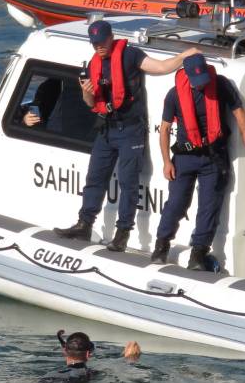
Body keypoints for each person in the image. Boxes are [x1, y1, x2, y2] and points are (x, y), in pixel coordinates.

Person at [54, 20, 202, 252]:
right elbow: (90, 103)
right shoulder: (92, 65)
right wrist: (86, 93)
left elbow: (161, 67)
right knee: (95, 178)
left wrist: (184, 56)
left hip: (131, 131)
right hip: (106, 129)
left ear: (110, 37)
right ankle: (84, 224)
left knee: (128, 182)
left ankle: (122, 233)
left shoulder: (130, 55)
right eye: (95, 44)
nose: (99, 47)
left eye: (102, 41)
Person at [152, 54, 245, 270]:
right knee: (176, 203)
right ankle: (161, 244)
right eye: (197, 81)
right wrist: (166, 162)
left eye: (204, 79)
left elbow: (238, 111)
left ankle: (199, 253)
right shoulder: (174, 95)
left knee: (209, 207)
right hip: (185, 157)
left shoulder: (220, 85)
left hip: (213, 157)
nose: (202, 85)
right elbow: (164, 129)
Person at [48, 330, 141, 383]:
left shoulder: (53, 376)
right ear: (88, 354)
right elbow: (120, 367)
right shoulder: (94, 374)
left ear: (65, 352)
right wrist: (131, 357)